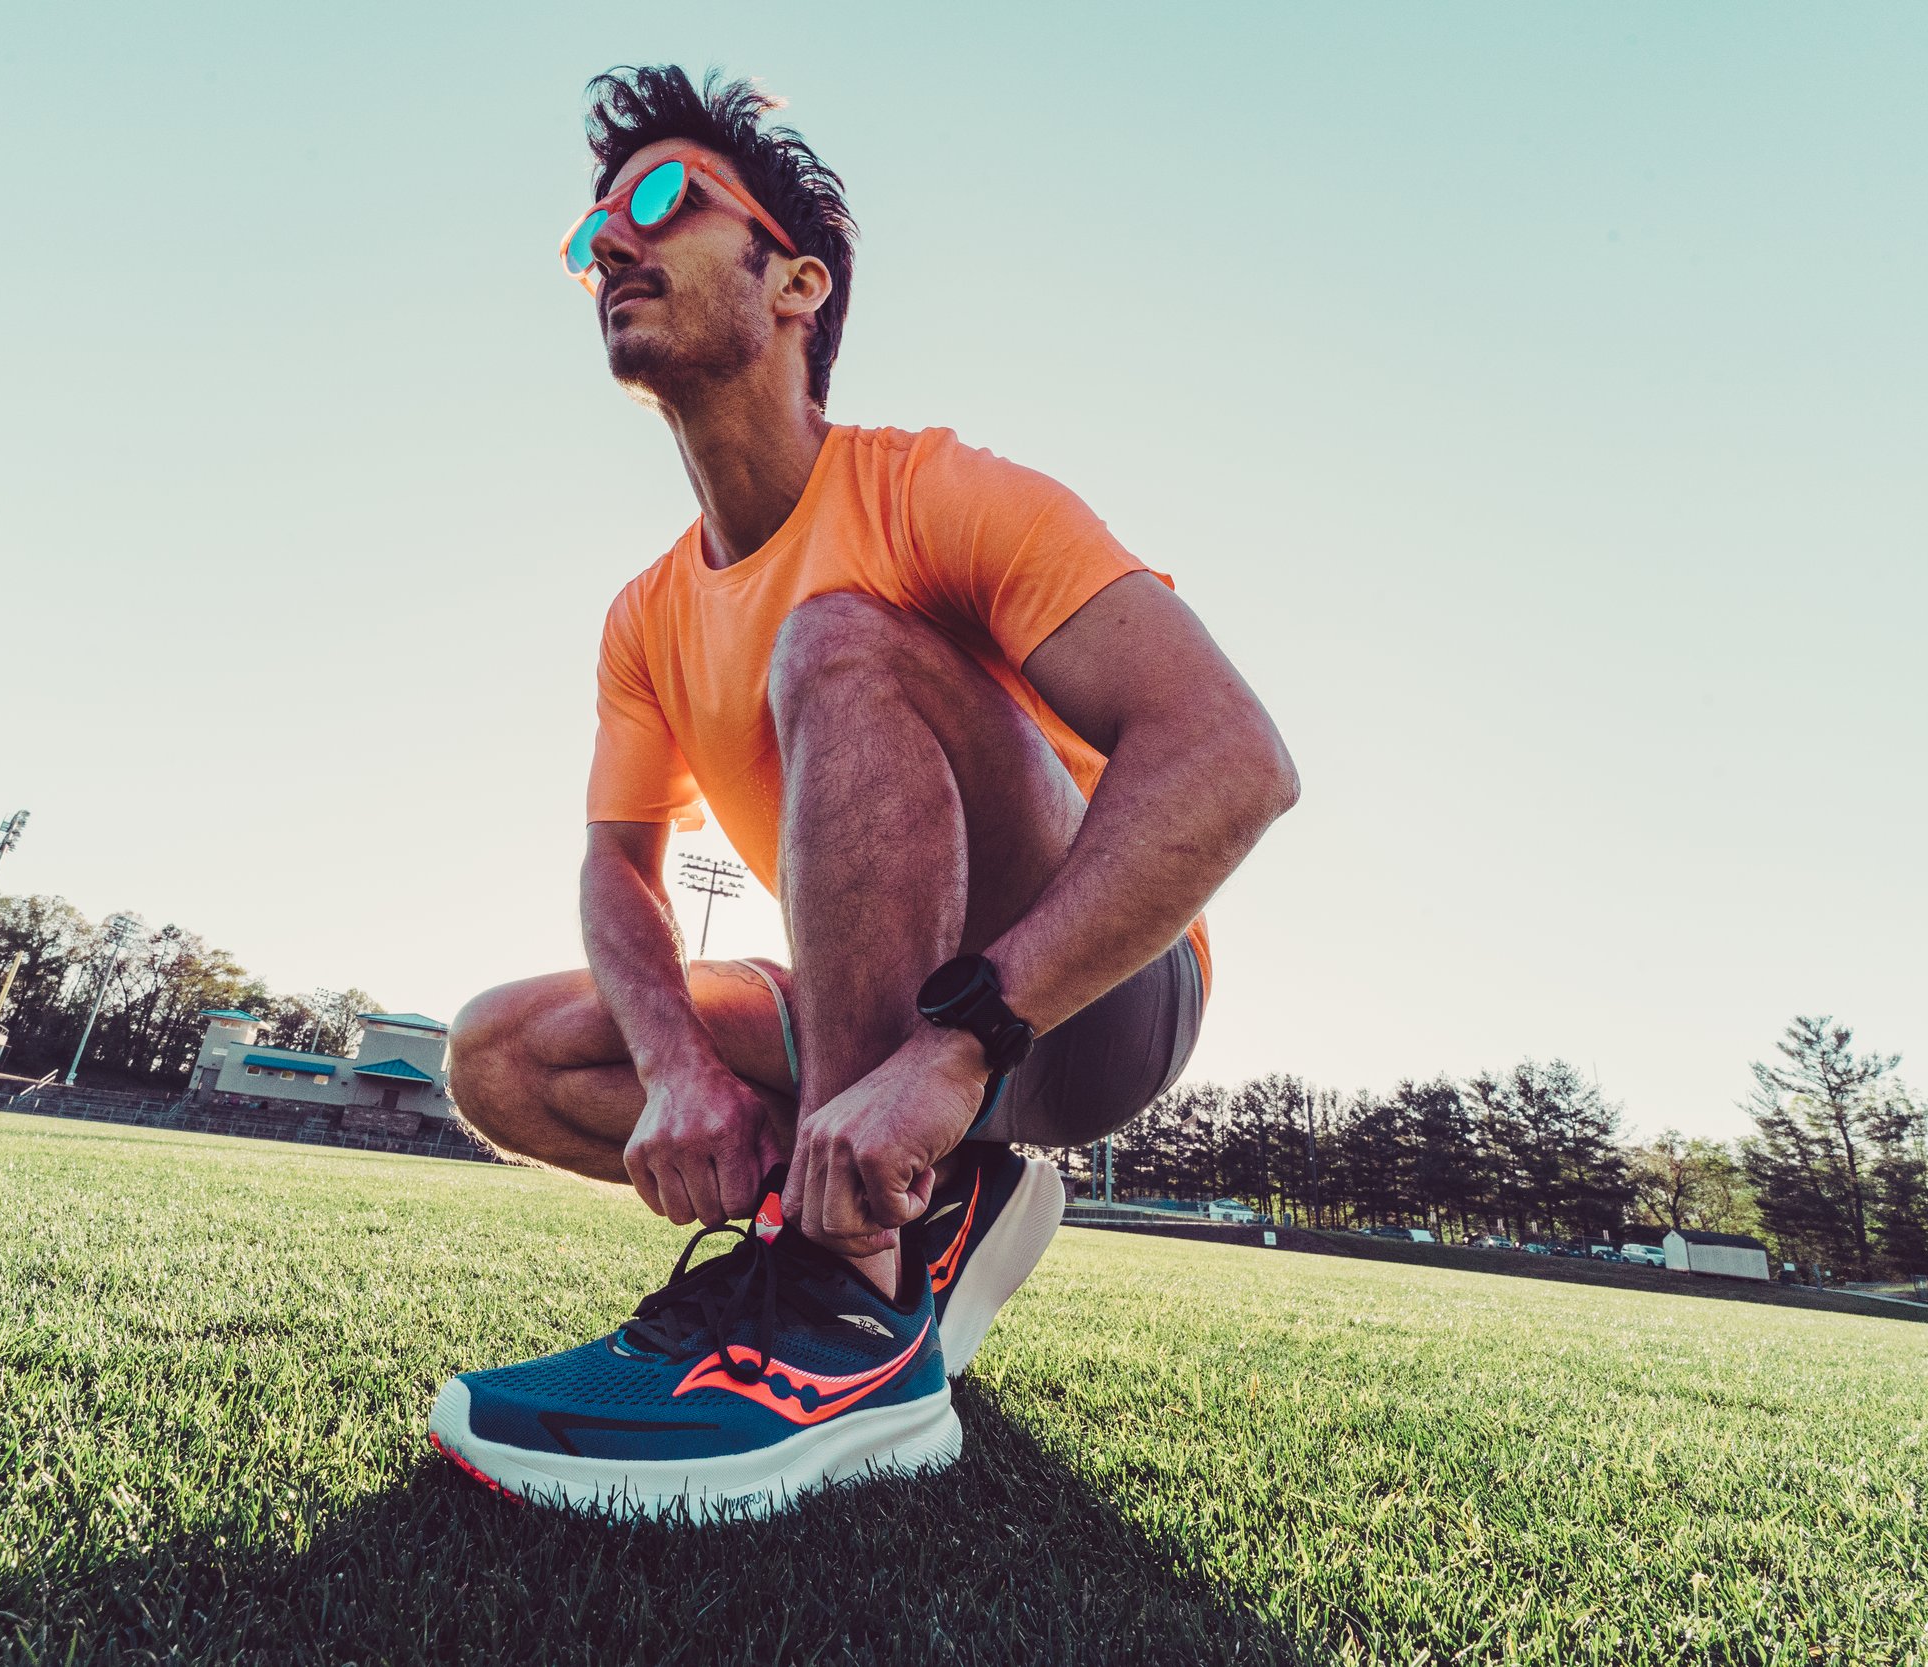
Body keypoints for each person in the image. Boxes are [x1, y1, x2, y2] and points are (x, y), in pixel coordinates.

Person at [429, 65, 1298, 1518]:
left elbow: (1233, 759)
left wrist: (957, 1054)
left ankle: (840, 1319)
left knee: (836, 635)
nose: (613, 244)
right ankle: (918, 1205)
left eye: (662, 201)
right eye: (593, 232)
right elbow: (618, 875)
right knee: (501, 1054)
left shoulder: (937, 492)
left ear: (797, 284)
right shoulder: (644, 615)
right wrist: (684, 1068)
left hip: (1085, 1003)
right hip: (870, 1005)